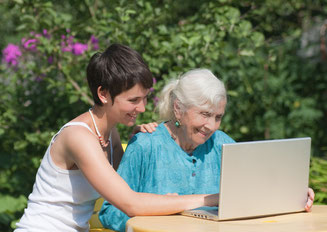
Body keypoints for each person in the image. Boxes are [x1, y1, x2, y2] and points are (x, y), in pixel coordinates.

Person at [14, 45, 219, 232]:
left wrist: (140, 143)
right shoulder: (78, 137)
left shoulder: (110, 133)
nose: (142, 108)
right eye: (133, 100)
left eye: (145, 98)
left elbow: (129, 184)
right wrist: (208, 199)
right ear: (103, 94)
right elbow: (131, 202)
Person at [99, 68, 315, 232]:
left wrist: (292, 194)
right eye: (204, 114)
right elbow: (110, 212)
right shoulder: (146, 145)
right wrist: (154, 217)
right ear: (178, 109)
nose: (211, 126)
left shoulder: (223, 145)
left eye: (218, 117)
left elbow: (252, 194)